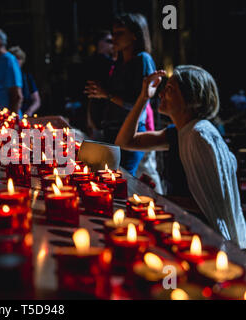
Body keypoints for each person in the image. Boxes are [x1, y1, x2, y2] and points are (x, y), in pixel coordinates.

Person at [115, 66, 246, 248]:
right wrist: (144, 97)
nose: (161, 94)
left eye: (170, 90)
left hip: (204, 239)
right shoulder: (179, 133)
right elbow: (125, 141)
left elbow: (208, 204)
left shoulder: (199, 136)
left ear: (192, 99)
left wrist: (156, 197)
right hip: (183, 227)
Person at [85, 14, 156, 176]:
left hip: (131, 133)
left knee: (121, 180)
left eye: (120, 33)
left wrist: (106, 94)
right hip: (111, 132)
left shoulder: (142, 60)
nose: (114, 38)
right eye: (113, 33)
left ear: (134, 35)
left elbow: (138, 102)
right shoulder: (118, 63)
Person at [85, 30, 115, 139]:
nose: (113, 43)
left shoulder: (96, 61)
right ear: (100, 43)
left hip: (101, 112)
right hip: (102, 112)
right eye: (109, 41)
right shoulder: (102, 62)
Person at [8, 46, 41, 117]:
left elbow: (37, 100)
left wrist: (30, 111)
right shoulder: (6, 78)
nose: (16, 62)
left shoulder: (27, 78)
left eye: (18, 59)